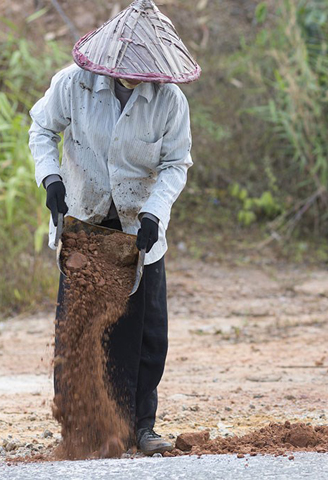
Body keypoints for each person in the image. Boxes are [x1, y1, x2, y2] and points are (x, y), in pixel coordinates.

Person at [28, 0, 200, 454]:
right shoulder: (73, 84)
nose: (137, 78)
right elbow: (41, 129)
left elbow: (175, 163)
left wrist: (154, 212)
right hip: (84, 220)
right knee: (80, 329)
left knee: (145, 331)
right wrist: (51, 178)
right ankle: (82, 429)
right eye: (129, 70)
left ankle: (140, 426)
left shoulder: (170, 101)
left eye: (147, 72)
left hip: (138, 226)